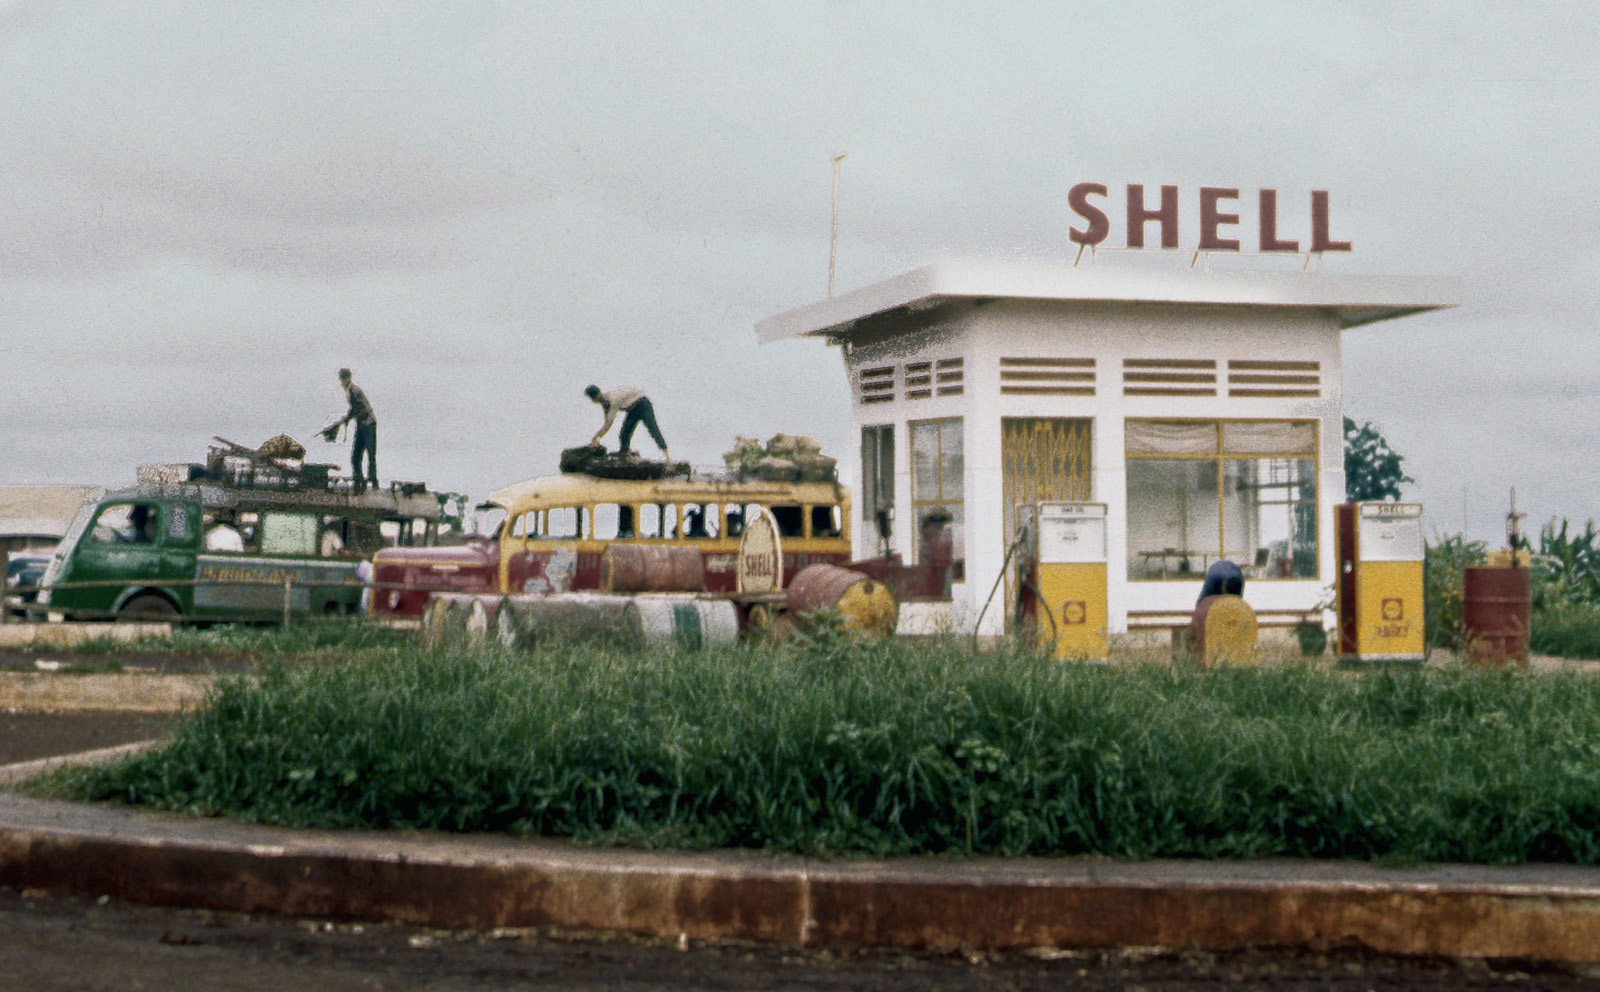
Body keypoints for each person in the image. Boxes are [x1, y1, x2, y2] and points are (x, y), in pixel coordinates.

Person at [585, 385, 670, 464]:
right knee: (624, 434)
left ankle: (668, 460)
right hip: (632, 410)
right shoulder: (605, 403)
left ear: (596, 396)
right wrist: (596, 438)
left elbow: (609, 423)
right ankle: (625, 458)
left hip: (642, 405)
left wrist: (596, 438)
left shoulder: (613, 399)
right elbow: (606, 422)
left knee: (653, 430)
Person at [331, 368, 378, 493]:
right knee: (355, 456)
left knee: (370, 455)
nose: (342, 381)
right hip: (361, 425)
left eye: (343, 378)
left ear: (347, 378)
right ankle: (359, 481)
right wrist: (346, 418)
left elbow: (364, 408)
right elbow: (354, 408)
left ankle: (373, 482)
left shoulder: (354, 390)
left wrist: (353, 416)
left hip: (368, 425)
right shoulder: (348, 391)